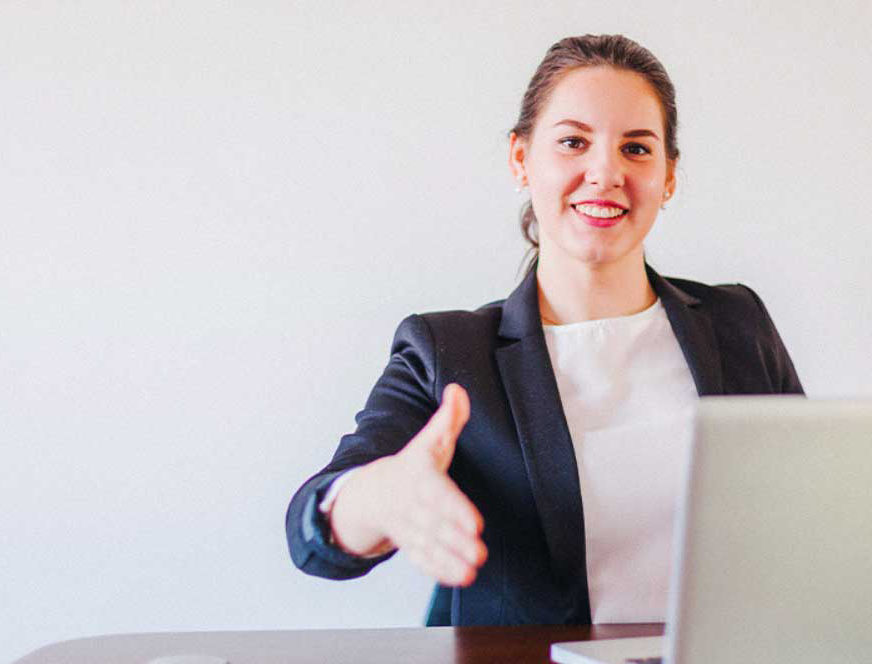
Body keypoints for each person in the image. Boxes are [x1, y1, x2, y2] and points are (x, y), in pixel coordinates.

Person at [285, 34, 804, 627]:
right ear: (520, 159)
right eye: (573, 142)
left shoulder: (739, 322)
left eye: (636, 148)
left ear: (668, 177)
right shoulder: (448, 351)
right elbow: (311, 531)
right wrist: (381, 497)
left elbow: (810, 506)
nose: (605, 172)